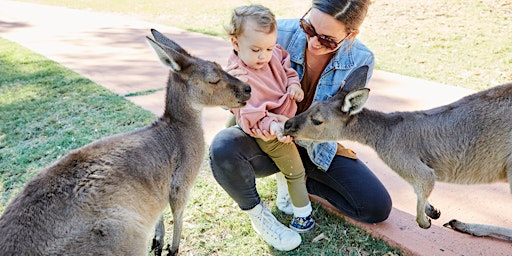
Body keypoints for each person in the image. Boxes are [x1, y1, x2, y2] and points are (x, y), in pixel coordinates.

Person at [210, 0, 392, 251]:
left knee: (374, 206)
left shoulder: (361, 60)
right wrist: (242, 98)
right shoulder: (274, 32)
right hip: (267, 137)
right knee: (223, 148)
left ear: (350, 35)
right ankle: (260, 216)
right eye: (308, 27)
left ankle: (298, 179)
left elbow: (342, 121)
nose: (313, 42)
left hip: (313, 144)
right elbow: (229, 95)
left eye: (327, 40)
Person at [225, 4, 316, 236]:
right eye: (256, 50)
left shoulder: (273, 53)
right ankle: (304, 217)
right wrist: (274, 127)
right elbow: (252, 117)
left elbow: (286, 67)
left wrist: (293, 84)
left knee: (236, 124)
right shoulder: (240, 78)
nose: (264, 56)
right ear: (235, 43)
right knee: (295, 170)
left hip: (281, 116)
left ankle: (285, 197)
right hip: (269, 128)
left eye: (268, 47)